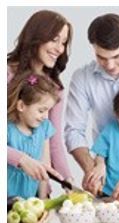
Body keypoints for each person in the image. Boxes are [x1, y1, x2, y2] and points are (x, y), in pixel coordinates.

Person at [65, 13, 119, 200]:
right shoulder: (82, 78)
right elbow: (73, 131)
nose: (110, 65)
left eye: (116, 56)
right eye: (101, 57)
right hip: (105, 182)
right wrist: (94, 171)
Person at [7, 10, 73, 183]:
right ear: (36, 37)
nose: (60, 48)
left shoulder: (55, 89)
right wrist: (21, 159)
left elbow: (54, 142)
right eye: (54, 39)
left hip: (33, 189)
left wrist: (68, 179)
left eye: (64, 42)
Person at [7, 71, 64, 199]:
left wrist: (43, 201)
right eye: (41, 110)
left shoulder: (44, 128)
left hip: (30, 201)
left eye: (48, 111)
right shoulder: (7, 129)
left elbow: (45, 168)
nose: (45, 116)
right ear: (21, 106)